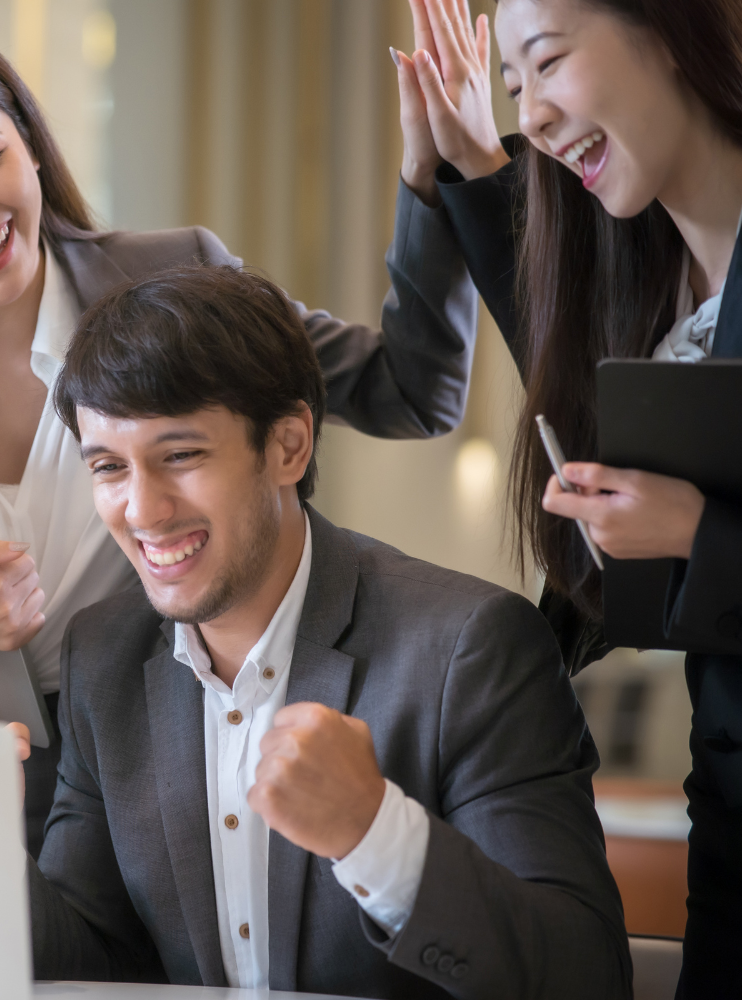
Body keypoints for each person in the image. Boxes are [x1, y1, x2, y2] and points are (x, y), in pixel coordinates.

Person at [0, 5, 485, 854]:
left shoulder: (174, 276)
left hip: (178, 773)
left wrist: (439, 180)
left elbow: (411, 389)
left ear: (28, 138)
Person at [27, 264, 629, 997]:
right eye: (108, 467)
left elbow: (586, 978)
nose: (143, 510)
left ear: (289, 446)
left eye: (180, 456)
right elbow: (87, 961)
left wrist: (374, 833)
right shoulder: (103, 656)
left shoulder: (471, 648)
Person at [393, 1, 742, 993]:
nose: (534, 116)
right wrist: (464, 161)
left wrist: (693, 533)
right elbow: (563, 338)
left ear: (672, 32)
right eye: (512, 90)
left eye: (546, 64)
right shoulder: (653, 285)